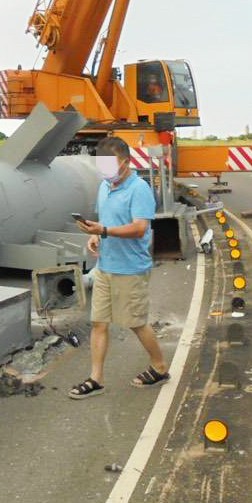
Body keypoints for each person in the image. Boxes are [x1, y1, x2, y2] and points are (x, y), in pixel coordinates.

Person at [69, 137, 169, 399]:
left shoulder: (139, 189)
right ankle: (96, 379)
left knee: (135, 323)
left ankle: (159, 367)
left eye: (110, 165)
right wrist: (96, 234)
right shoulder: (104, 186)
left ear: (125, 162)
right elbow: (106, 220)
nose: (105, 172)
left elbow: (139, 228)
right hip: (105, 267)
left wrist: (104, 230)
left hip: (130, 269)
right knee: (98, 323)